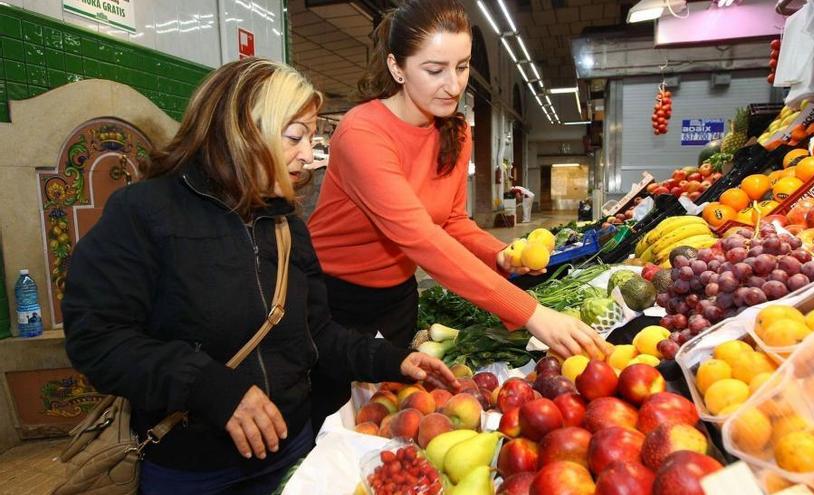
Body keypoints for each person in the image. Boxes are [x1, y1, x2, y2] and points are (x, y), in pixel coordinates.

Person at [61, 58, 456, 495]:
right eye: (294, 137)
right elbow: (97, 338)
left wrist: (391, 360)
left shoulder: (286, 225)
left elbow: (316, 334)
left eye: (310, 137)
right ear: (243, 129)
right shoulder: (143, 214)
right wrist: (208, 386)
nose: (308, 155)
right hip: (192, 470)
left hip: (293, 454)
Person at [307, 0, 613, 425]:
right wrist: (530, 312)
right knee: (331, 417)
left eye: (463, 66)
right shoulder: (362, 133)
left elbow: (450, 220)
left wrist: (498, 254)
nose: (453, 85)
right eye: (435, 70)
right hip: (333, 297)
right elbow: (420, 237)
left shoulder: (455, 129)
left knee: (387, 412)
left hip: (397, 295)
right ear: (397, 68)